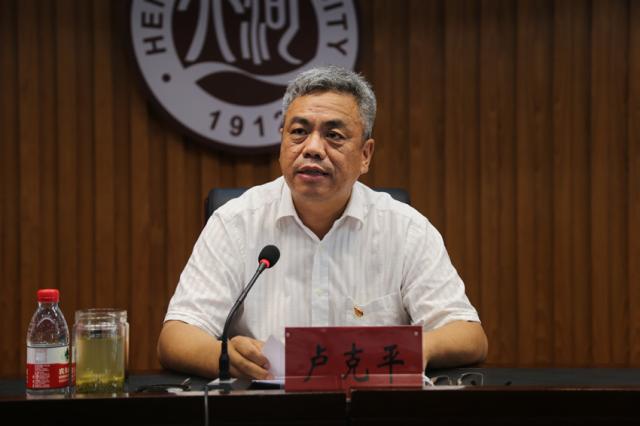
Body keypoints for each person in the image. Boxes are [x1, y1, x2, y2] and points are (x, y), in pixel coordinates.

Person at [158, 66, 488, 379]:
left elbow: (468, 335)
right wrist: (226, 357)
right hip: (266, 405)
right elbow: (176, 337)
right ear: (282, 143)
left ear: (365, 155)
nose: (312, 148)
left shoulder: (405, 229)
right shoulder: (235, 223)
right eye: (299, 132)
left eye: (334, 135)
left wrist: (408, 349)